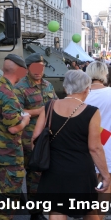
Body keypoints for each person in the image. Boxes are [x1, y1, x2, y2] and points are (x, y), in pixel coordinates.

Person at [32, 70, 109, 219]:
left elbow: (35, 138)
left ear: (65, 88)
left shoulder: (49, 106)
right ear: (87, 89)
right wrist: (105, 175)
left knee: (56, 209)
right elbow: (95, 148)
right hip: (81, 171)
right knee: (89, 209)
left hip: (53, 170)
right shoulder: (92, 112)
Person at [0, 54, 31, 220]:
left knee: (2, 192)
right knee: (8, 199)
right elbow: (13, 128)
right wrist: (25, 120)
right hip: (9, 155)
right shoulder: (8, 95)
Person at [14, 53, 58, 220]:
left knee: (39, 176)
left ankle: (36, 212)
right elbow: (16, 113)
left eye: (41, 67)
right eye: (34, 68)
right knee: (28, 176)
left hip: (44, 139)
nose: (38, 71)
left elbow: (55, 104)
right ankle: (33, 212)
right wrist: (39, 111)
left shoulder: (48, 86)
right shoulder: (20, 88)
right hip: (26, 139)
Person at [84, 61, 111, 219]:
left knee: (89, 187)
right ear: (104, 74)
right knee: (105, 186)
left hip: (85, 148)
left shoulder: (81, 95)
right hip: (107, 147)